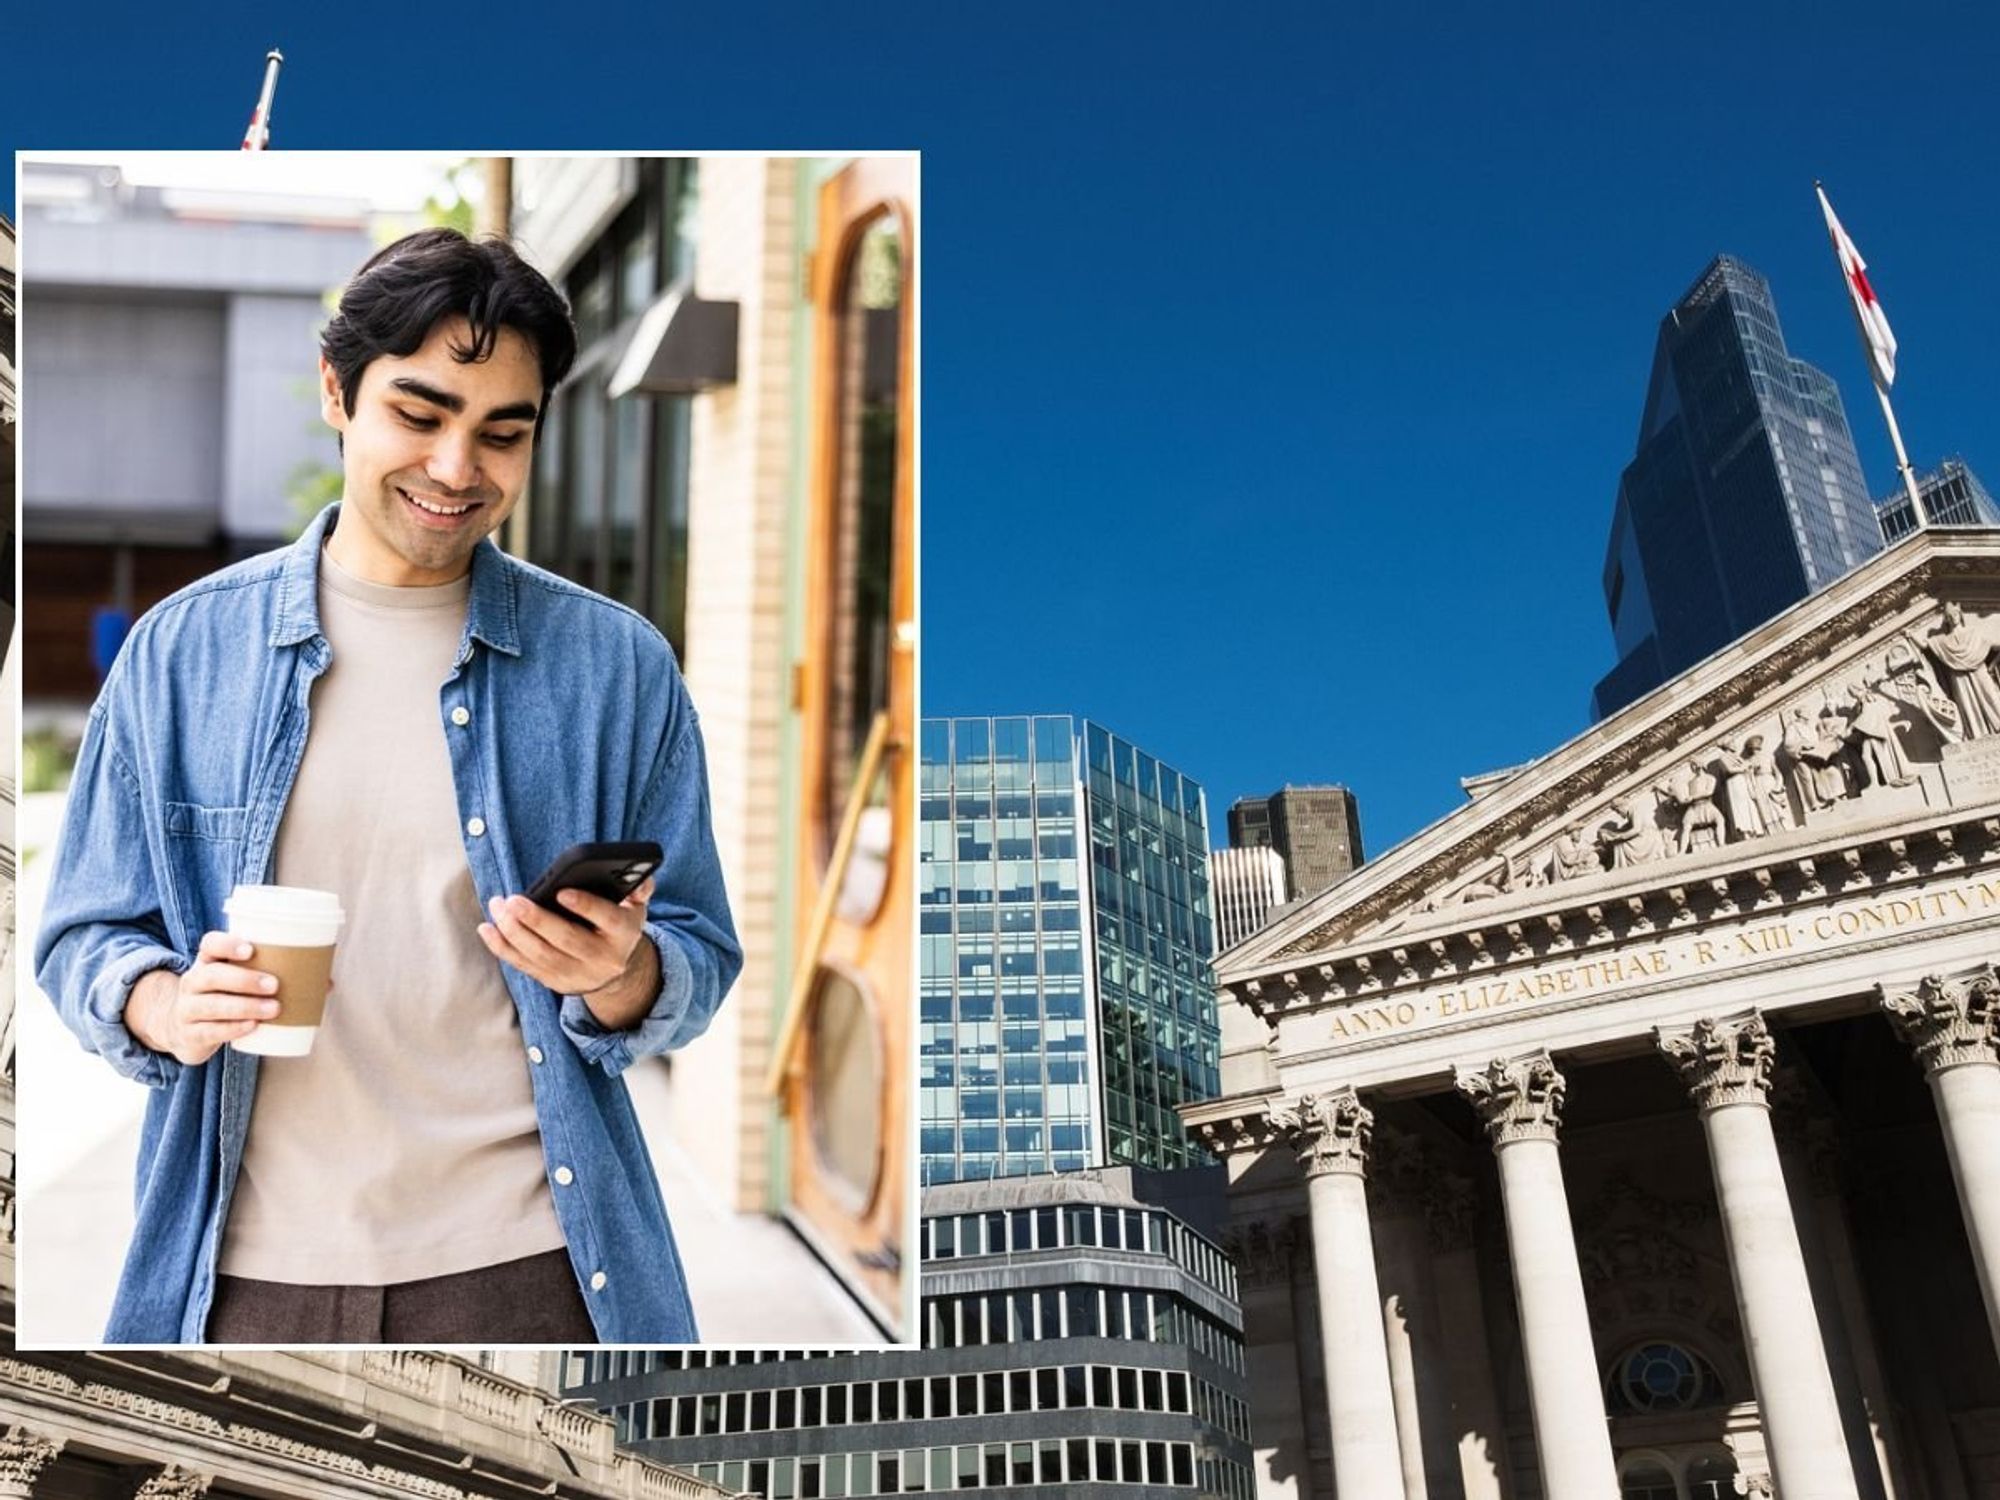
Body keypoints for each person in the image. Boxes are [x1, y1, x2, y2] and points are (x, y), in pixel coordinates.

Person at [35, 229, 743, 1345]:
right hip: (237, 1270)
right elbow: (80, 935)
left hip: (536, 1267)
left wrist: (621, 974)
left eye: (501, 433)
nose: (458, 469)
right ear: (336, 391)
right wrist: (162, 1004)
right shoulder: (180, 654)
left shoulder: (618, 668)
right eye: (419, 416)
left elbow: (698, 951)